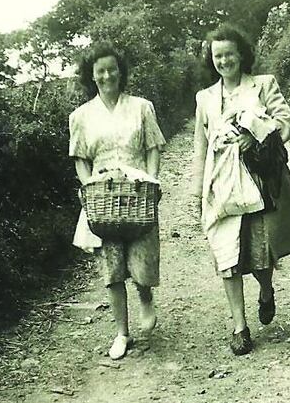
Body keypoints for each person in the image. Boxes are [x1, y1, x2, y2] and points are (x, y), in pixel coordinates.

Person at [191, 24, 290, 355]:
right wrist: (196, 192)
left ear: (242, 54)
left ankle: (266, 289)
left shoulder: (263, 85)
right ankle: (239, 328)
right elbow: (200, 148)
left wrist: (256, 133)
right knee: (226, 255)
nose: (224, 60)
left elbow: (288, 123)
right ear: (211, 59)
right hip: (220, 185)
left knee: (259, 256)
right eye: (218, 55)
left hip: (256, 182)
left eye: (229, 53)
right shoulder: (205, 98)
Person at [68, 42, 166, 360]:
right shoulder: (81, 116)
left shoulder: (141, 107)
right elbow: (81, 159)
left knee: (141, 259)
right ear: (92, 76)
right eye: (100, 71)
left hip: (137, 191)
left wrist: (151, 181)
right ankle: (122, 333)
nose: (107, 75)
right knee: (111, 269)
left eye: (112, 69)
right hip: (103, 195)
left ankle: (145, 296)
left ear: (121, 73)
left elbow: (152, 147)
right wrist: (89, 187)